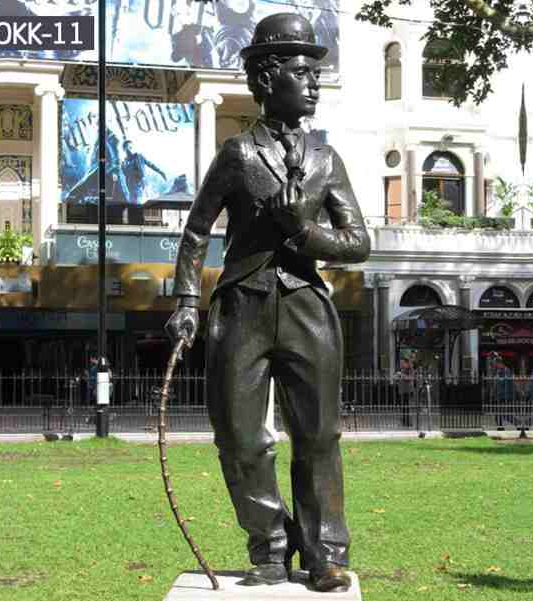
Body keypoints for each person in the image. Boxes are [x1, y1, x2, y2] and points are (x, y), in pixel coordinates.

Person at [165, 12, 370, 593]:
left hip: (306, 307)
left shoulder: (327, 160)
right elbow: (196, 231)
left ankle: (325, 554)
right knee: (239, 437)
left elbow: (357, 242)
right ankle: (271, 547)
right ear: (266, 78)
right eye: (301, 73)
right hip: (242, 308)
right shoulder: (237, 154)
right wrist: (187, 300)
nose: (313, 84)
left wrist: (303, 232)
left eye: (316, 74)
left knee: (318, 436)